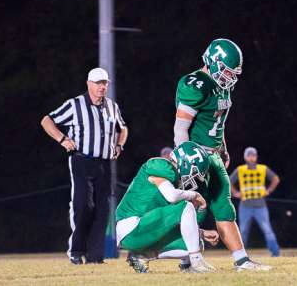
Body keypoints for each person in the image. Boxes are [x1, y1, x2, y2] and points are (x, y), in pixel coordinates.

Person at [173, 38, 271, 271]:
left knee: (223, 207)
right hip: (196, 156)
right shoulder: (195, 84)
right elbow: (180, 128)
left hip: (214, 155)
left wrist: (223, 147)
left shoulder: (223, 85)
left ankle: (242, 260)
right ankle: (186, 260)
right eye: (227, 71)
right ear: (213, 62)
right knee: (192, 209)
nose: (230, 77)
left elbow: (219, 121)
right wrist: (186, 161)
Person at [40, 68, 128, 264]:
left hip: (105, 164)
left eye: (104, 83)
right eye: (97, 83)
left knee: (102, 210)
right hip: (82, 160)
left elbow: (123, 128)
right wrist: (62, 139)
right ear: (88, 84)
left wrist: (120, 145)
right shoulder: (75, 105)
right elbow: (47, 120)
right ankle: (76, 251)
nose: (101, 87)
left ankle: (95, 256)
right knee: (83, 206)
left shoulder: (112, 106)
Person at [116, 142, 219, 273]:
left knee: (195, 243)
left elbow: (177, 223)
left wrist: (202, 233)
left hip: (144, 229)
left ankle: (142, 256)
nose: (192, 177)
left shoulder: (172, 181)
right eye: (194, 171)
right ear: (185, 162)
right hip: (131, 227)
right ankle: (197, 262)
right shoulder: (160, 166)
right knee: (186, 205)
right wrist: (194, 195)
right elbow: (172, 196)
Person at [229, 147, 281, 256]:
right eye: (249, 155)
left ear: (256, 157)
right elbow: (228, 181)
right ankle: (241, 254)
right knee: (243, 231)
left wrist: (269, 190)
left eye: (253, 155)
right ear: (245, 157)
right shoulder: (240, 170)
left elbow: (275, 179)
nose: (251, 157)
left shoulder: (263, 169)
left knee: (267, 230)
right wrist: (235, 193)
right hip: (245, 206)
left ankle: (275, 253)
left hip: (260, 206)